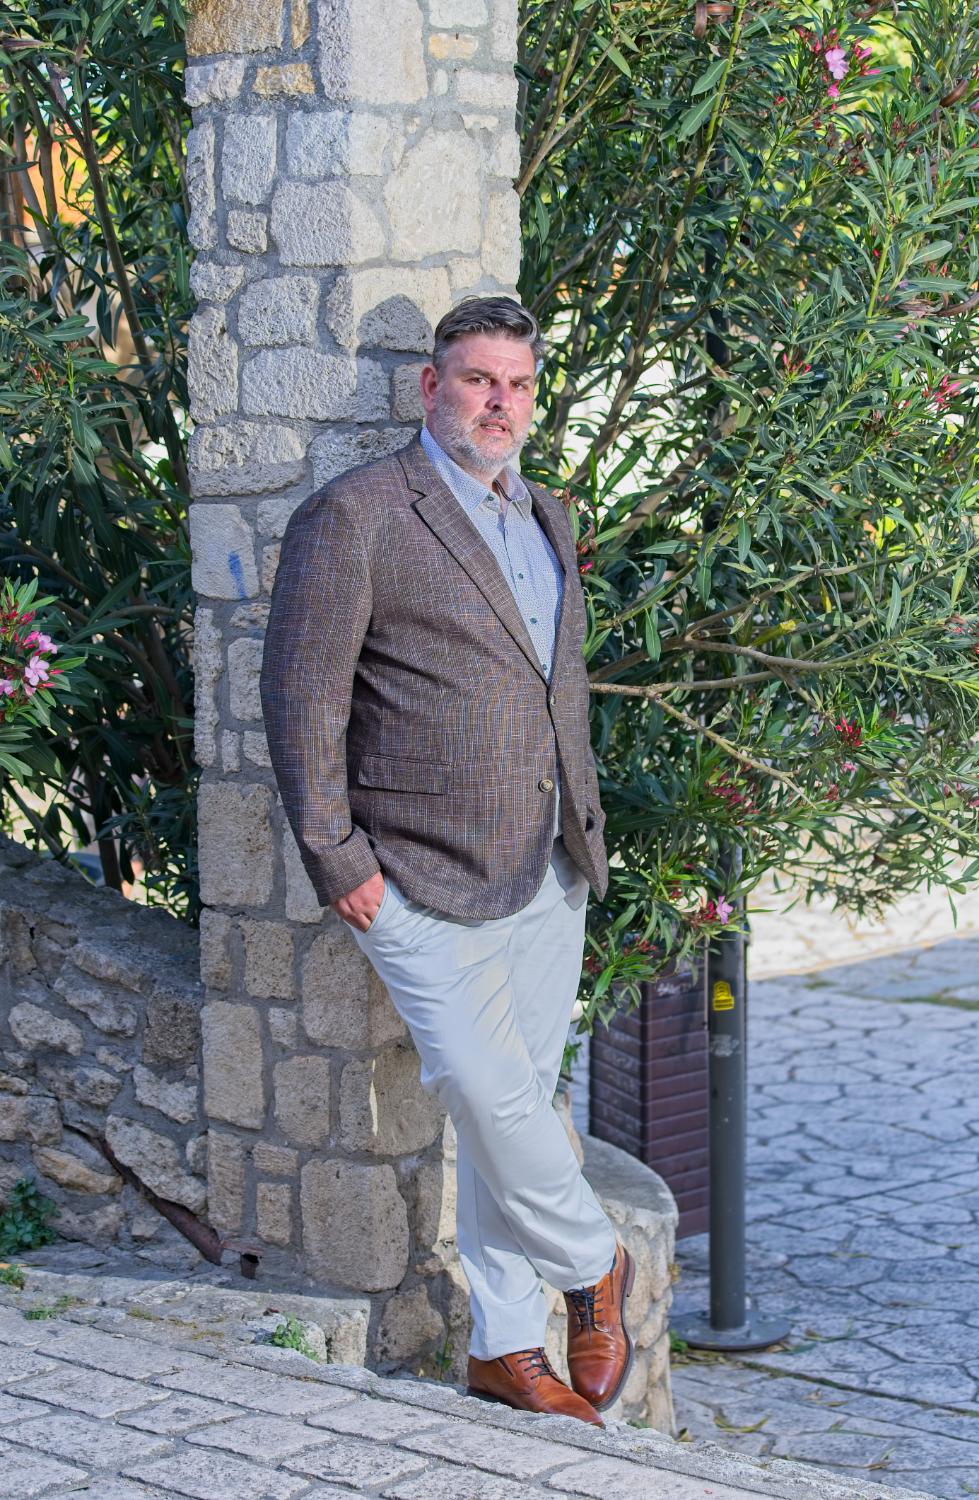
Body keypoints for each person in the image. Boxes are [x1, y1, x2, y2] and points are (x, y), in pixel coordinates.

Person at [260, 295, 634, 1426]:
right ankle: (594, 1262)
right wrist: (335, 856)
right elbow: (301, 699)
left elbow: (550, 688)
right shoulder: (357, 516)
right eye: (477, 380)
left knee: (503, 1111)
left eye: (517, 384)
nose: (498, 403)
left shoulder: (548, 514)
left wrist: (581, 828)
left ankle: (503, 1349)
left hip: (549, 863)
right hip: (413, 874)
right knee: (482, 1083)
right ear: (431, 387)